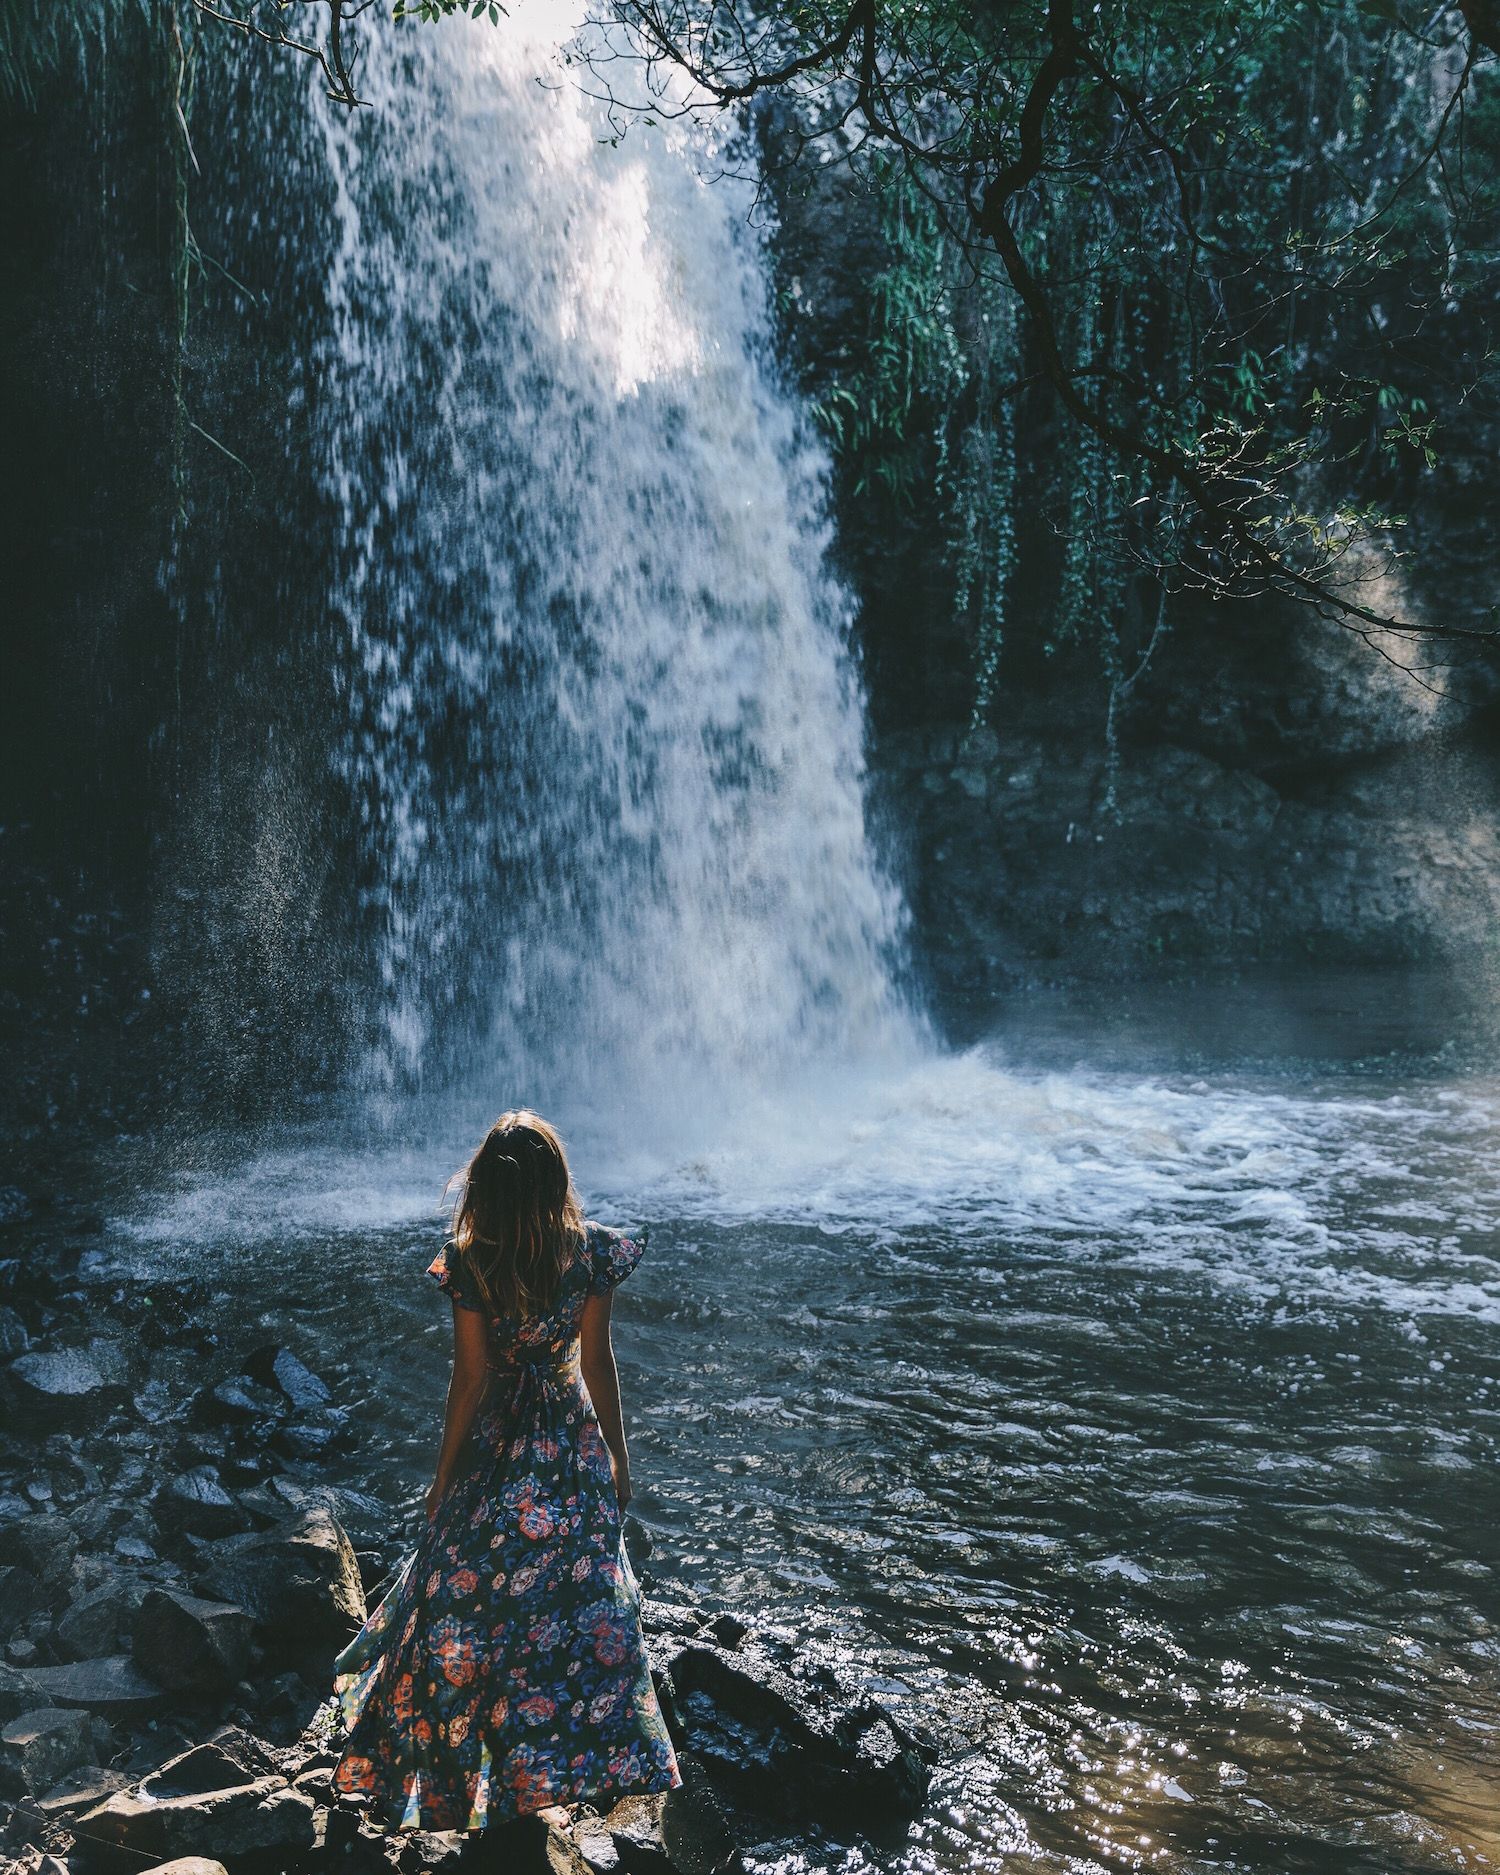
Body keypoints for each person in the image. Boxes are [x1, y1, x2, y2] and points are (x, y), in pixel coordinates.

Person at [329, 1109, 683, 1833]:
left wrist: (443, 1476)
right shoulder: (589, 1253)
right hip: (569, 1440)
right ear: (556, 1182)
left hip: (497, 1441)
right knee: (581, 1600)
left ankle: (447, 1766)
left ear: (484, 1187)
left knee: (459, 1593)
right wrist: (618, 1454)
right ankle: (565, 1768)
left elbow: (469, 1377)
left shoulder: (471, 1259)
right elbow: (596, 1360)